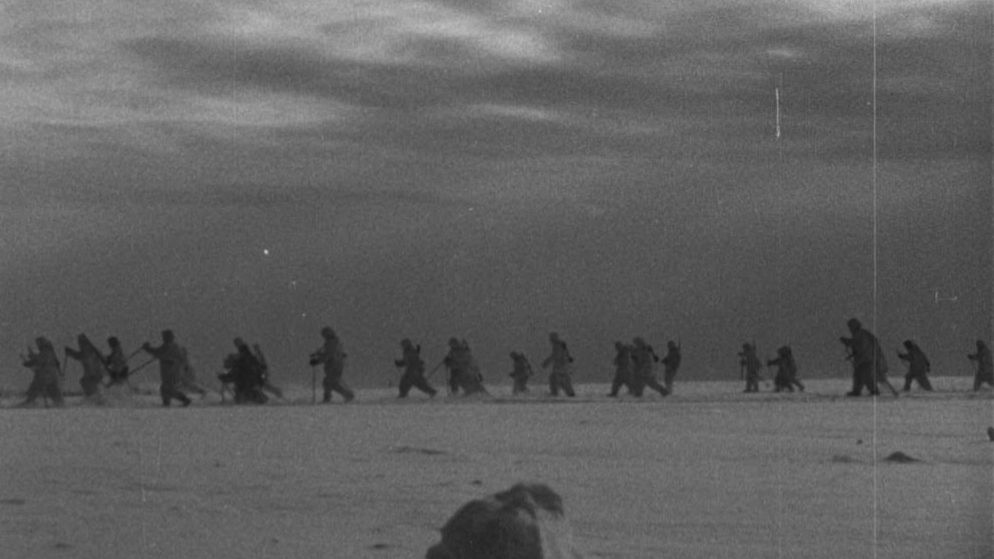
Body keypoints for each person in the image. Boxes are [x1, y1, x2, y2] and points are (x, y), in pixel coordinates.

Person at [839, 318, 897, 397]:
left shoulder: (861, 334)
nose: (849, 329)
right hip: (863, 359)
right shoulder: (861, 333)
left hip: (866, 359)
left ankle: (874, 391)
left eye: (850, 327)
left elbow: (860, 345)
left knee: (867, 376)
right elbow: (857, 345)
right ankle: (856, 390)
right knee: (858, 375)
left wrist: (847, 342)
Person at [142, 330, 192, 407]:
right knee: (164, 388)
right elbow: (158, 352)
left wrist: (147, 348)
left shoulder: (170, 346)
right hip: (170, 371)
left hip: (171, 371)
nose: (163, 338)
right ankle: (166, 403)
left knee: (168, 388)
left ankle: (185, 400)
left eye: (165, 336)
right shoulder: (172, 346)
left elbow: (159, 353)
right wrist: (148, 349)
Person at [309, 326, 355, 403]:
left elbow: (328, 355)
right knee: (329, 382)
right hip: (335, 366)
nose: (324, 336)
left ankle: (346, 395)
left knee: (330, 382)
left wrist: (317, 361)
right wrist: (317, 354)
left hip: (334, 367)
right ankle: (330, 397)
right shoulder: (333, 342)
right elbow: (329, 352)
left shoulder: (332, 343)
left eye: (324, 334)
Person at [218, 338, 268, 404]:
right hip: (252, 386)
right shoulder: (248, 359)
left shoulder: (240, 363)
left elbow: (232, 376)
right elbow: (261, 367)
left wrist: (222, 377)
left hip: (245, 389)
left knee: (242, 399)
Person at [20, 336, 64, 407]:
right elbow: (39, 358)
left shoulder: (46, 351)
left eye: (38, 344)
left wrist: (28, 362)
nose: (38, 346)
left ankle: (30, 402)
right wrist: (31, 357)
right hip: (53, 375)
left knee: (35, 387)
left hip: (45, 374)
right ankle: (58, 403)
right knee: (52, 389)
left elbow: (39, 360)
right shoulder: (50, 352)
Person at [65, 333, 105, 399]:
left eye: (80, 342)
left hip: (92, 375)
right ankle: (95, 396)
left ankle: (93, 397)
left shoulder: (87, 351)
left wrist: (69, 352)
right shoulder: (94, 351)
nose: (79, 344)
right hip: (97, 374)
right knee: (84, 381)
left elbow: (79, 356)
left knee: (85, 382)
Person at [541, 332, 576, 397]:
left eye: (551, 338)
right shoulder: (563, 345)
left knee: (553, 379)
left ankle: (554, 394)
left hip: (559, 369)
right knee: (565, 384)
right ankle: (570, 394)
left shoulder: (557, 346)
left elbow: (555, 355)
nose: (550, 340)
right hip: (564, 369)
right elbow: (567, 357)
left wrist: (546, 363)